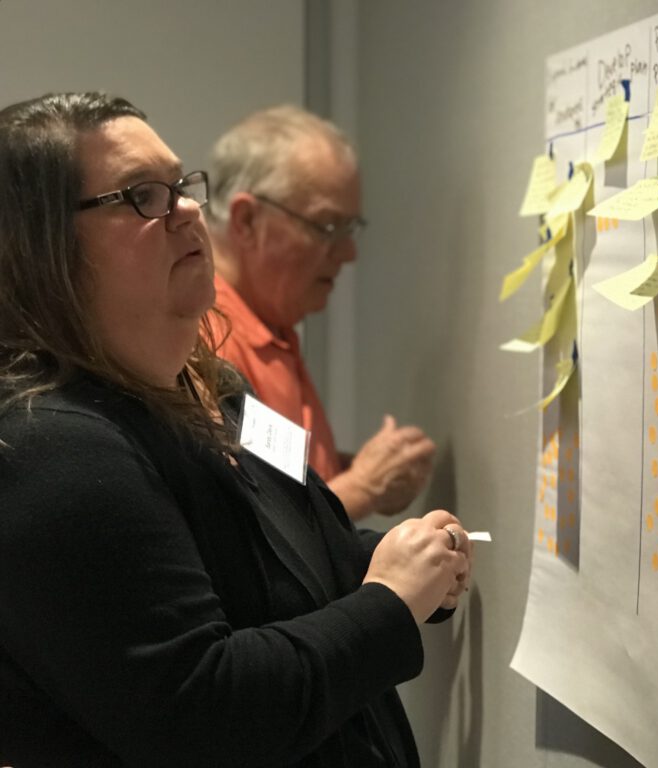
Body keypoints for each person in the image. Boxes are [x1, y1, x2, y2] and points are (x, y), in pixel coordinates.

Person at [0, 92, 472, 767]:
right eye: (142, 195)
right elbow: (206, 715)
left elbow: (306, 543)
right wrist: (391, 601)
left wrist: (402, 559)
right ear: (40, 243)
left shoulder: (219, 391)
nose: (189, 209)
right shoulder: (49, 448)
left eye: (182, 184)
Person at [205, 106, 434, 521]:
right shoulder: (205, 339)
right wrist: (363, 486)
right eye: (327, 228)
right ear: (247, 220)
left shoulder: (267, 322)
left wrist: (363, 474)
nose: (348, 254)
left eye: (350, 230)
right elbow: (254, 537)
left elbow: (279, 478)